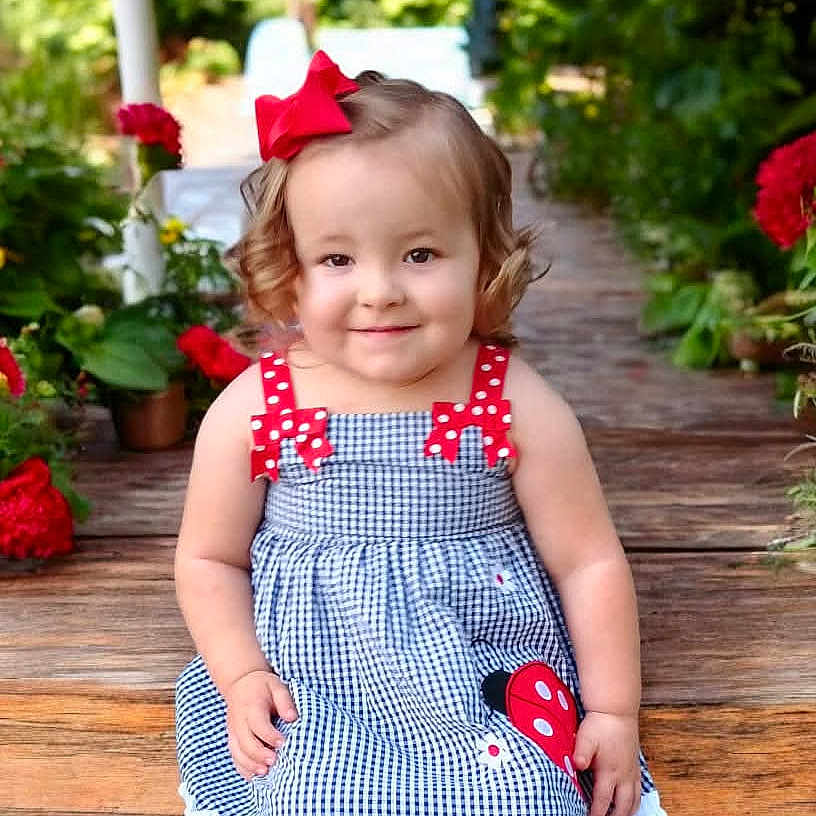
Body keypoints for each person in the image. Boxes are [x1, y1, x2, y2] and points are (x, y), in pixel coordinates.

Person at [174, 50, 668, 816]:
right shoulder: (256, 407)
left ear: (484, 261)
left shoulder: (512, 401)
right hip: (318, 687)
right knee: (313, 796)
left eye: (420, 254)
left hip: (479, 676)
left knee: (522, 795)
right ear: (289, 269)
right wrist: (240, 674)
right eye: (337, 258)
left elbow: (588, 562)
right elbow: (210, 558)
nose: (380, 291)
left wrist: (611, 708)